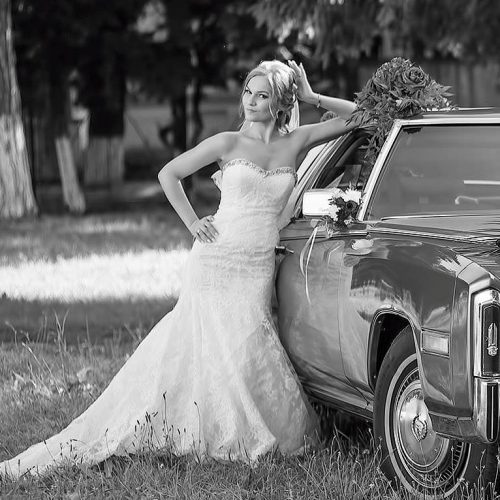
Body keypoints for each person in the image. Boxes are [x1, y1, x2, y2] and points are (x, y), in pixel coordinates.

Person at [1, 60, 358, 479]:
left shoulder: (296, 141)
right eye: (248, 91)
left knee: (246, 342)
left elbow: (361, 117)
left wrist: (313, 97)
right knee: (206, 340)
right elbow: (168, 173)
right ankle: (192, 426)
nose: (251, 101)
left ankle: (227, 426)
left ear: (280, 103)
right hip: (216, 257)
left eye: (262, 95)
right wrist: (192, 222)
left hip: (257, 263)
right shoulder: (227, 142)